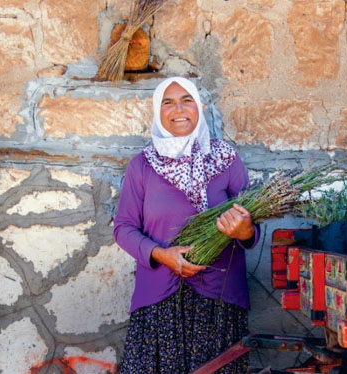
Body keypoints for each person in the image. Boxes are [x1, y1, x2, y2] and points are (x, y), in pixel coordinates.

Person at [113, 76, 259, 374]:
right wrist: (161, 254)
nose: (178, 109)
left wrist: (244, 230)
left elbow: (252, 226)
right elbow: (123, 227)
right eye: (168, 102)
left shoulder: (226, 160)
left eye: (186, 100)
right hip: (158, 301)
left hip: (217, 301)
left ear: (199, 107)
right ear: (158, 111)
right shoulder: (142, 165)